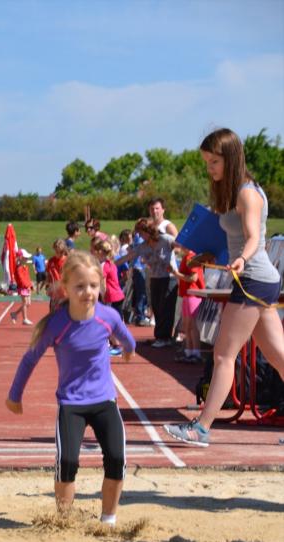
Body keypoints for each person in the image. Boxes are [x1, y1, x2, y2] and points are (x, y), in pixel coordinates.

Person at [164, 127, 284, 446]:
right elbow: (231, 238)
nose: (210, 169)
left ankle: (201, 428)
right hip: (256, 280)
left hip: (254, 279)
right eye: (207, 162)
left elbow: (253, 237)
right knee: (278, 356)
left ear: (230, 158)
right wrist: (208, 254)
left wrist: (242, 258)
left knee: (223, 355)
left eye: (214, 162)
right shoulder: (232, 193)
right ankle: (201, 428)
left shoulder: (247, 194)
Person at [6, 250, 135, 525]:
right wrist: (15, 395)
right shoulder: (57, 325)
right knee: (67, 462)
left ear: (101, 286)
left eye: (93, 286)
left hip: (104, 401)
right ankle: (64, 521)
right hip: (71, 404)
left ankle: (108, 519)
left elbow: (127, 339)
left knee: (116, 458)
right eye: (80, 286)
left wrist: (129, 350)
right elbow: (30, 359)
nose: (88, 292)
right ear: (66, 287)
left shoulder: (108, 317)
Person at [116, 218, 178, 347]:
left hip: (169, 278)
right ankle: (159, 336)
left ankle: (165, 338)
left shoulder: (165, 239)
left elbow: (181, 247)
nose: (140, 236)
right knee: (156, 307)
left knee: (166, 307)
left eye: (141, 233)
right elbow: (127, 257)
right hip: (154, 278)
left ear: (149, 231)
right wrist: (110, 264)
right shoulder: (142, 246)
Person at [91, 236, 125, 357]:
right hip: (117, 295)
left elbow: (103, 284)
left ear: (100, 252)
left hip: (111, 297)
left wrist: (102, 298)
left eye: (96, 251)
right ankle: (113, 344)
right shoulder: (111, 264)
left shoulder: (104, 266)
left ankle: (116, 346)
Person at [170, 250, 206, 363]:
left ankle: (196, 353)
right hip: (187, 294)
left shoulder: (192, 256)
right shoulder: (186, 257)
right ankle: (189, 352)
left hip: (193, 293)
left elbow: (193, 278)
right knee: (186, 325)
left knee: (192, 324)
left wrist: (176, 274)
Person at [10, 250, 34, 326]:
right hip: (22, 287)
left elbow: (27, 277)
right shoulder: (18, 268)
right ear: (21, 258)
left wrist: (30, 285)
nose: (27, 259)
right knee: (25, 302)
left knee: (28, 303)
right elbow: (21, 279)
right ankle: (25, 319)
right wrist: (27, 286)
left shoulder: (25, 267)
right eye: (25, 258)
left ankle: (15, 314)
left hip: (27, 287)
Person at [46, 238, 69, 312]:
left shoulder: (67, 261)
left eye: (60, 252)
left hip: (65, 293)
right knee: (53, 313)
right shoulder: (51, 261)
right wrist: (48, 286)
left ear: (64, 251)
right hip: (55, 293)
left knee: (64, 312)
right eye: (56, 252)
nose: (58, 254)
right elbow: (49, 275)